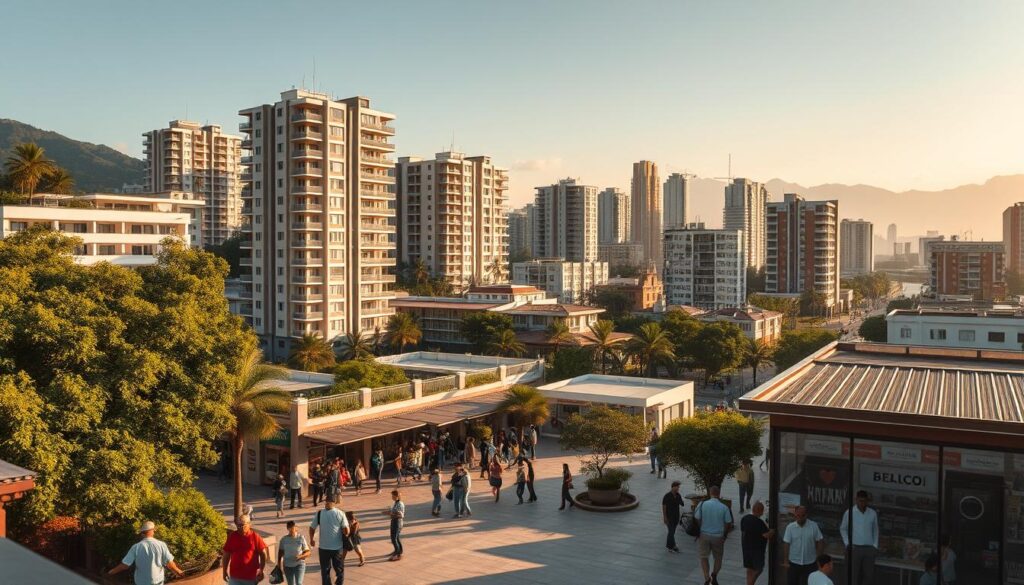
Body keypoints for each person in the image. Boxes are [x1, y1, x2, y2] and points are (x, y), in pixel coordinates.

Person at [107, 520, 185, 584]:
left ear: (142, 533)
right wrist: (178, 571)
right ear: (152, 531)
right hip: (157, 582)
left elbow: (125, 565)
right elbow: (169, 563)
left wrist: (111, 572)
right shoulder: (161, 545)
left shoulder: (136, 547)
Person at [694, 485, 734, 585]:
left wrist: (701, 527)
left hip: (704, 534)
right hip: (718, 536)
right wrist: (724, 535)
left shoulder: (702, 504)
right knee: (718, 558)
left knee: (703, 557)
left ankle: (707, 578)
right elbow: (728, 522)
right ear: (719, 494)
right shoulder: (724, 507)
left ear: (710, 493)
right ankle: (714, 574)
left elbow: (697, 517)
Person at [840, 490, 879, 585]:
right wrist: (847, 543)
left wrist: (875, 546)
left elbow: (876, 530)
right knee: (852, 575)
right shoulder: (849, 512)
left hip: (869, 548)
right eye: (860, 500)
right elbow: (843, 528)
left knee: (868, 576)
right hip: (854, 548)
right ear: (856, 500)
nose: (862, 503)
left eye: (864, 501)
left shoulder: (872, 513)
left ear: (867, 501)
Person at [309, 497, 350, 585]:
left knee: (332, 570)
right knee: (329, 570)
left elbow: (346, 531)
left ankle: (338, 583)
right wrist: (311, 539)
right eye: (326, 502)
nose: (327, 503)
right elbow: (312, 528)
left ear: (333, 503)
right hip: (326, 548)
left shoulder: (338, 513)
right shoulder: (320, 513)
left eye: (328, 502)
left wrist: (345, 530)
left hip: (335, 548)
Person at [783, 506, 825, 585]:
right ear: (795, 515)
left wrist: (818, 557)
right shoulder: (790, 527)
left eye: (802, 516)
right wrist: (785, 561)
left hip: (810, 563)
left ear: (806, 515)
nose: (800, 518)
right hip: (794, 562)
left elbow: (820, 540)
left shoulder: (813, 526)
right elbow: (786, 543)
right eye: (798, 515)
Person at [222, 515, 268, 585]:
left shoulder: (255, 536)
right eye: (238, 525)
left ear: (249, 524)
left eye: (242, 525)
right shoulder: (233, 536)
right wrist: (224, 571)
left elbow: (263, 554)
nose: (240, 528)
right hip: (235, 576)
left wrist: (261, 570)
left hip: (250, 577)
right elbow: (226, 554)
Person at [741, 501, 774, 585]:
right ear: (761, 511)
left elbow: (743, 531)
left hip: (746, 549)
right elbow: (767, 535)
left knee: (749, 569)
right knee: (759, 569)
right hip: (757, 551)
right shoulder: (759, 523)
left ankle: (749, 583)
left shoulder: (745, 518)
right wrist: (772, 531)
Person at [277, 520, 311, 585]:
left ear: (296, 527)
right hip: (287, 566)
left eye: (293, 527)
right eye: (289, 527)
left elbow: (308, 552)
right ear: (287, 528)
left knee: (299, 583)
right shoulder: (284, 539)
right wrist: (279, 565)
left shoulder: (301, 538)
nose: (291, 529)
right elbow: (280, 553)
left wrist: (300, 556)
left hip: (299, 564)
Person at [662, 480, 684, 553]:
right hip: (669, 517)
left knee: (672, 532)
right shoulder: (667, 496)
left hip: (676, 517)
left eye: (678, 487)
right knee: (671, 532)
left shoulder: (678, 495)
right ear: (672, 487)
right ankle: (670, 547)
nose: (678, 488)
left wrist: (680, 500)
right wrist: (665, 517)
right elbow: (664, 506)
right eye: (676, 487)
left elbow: (681, 503)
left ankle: (673, 545)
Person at [383, 490, 405, 561]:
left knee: (394, 538)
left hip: (397, 522)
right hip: (395, 521)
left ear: (397, 497)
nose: (392, 497)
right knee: (396, 538)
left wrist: (390, 514)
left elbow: (401, 515)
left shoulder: (399, 504)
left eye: (393, 496)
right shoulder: (396, 503)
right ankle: (399, 551)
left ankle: (397, 554)